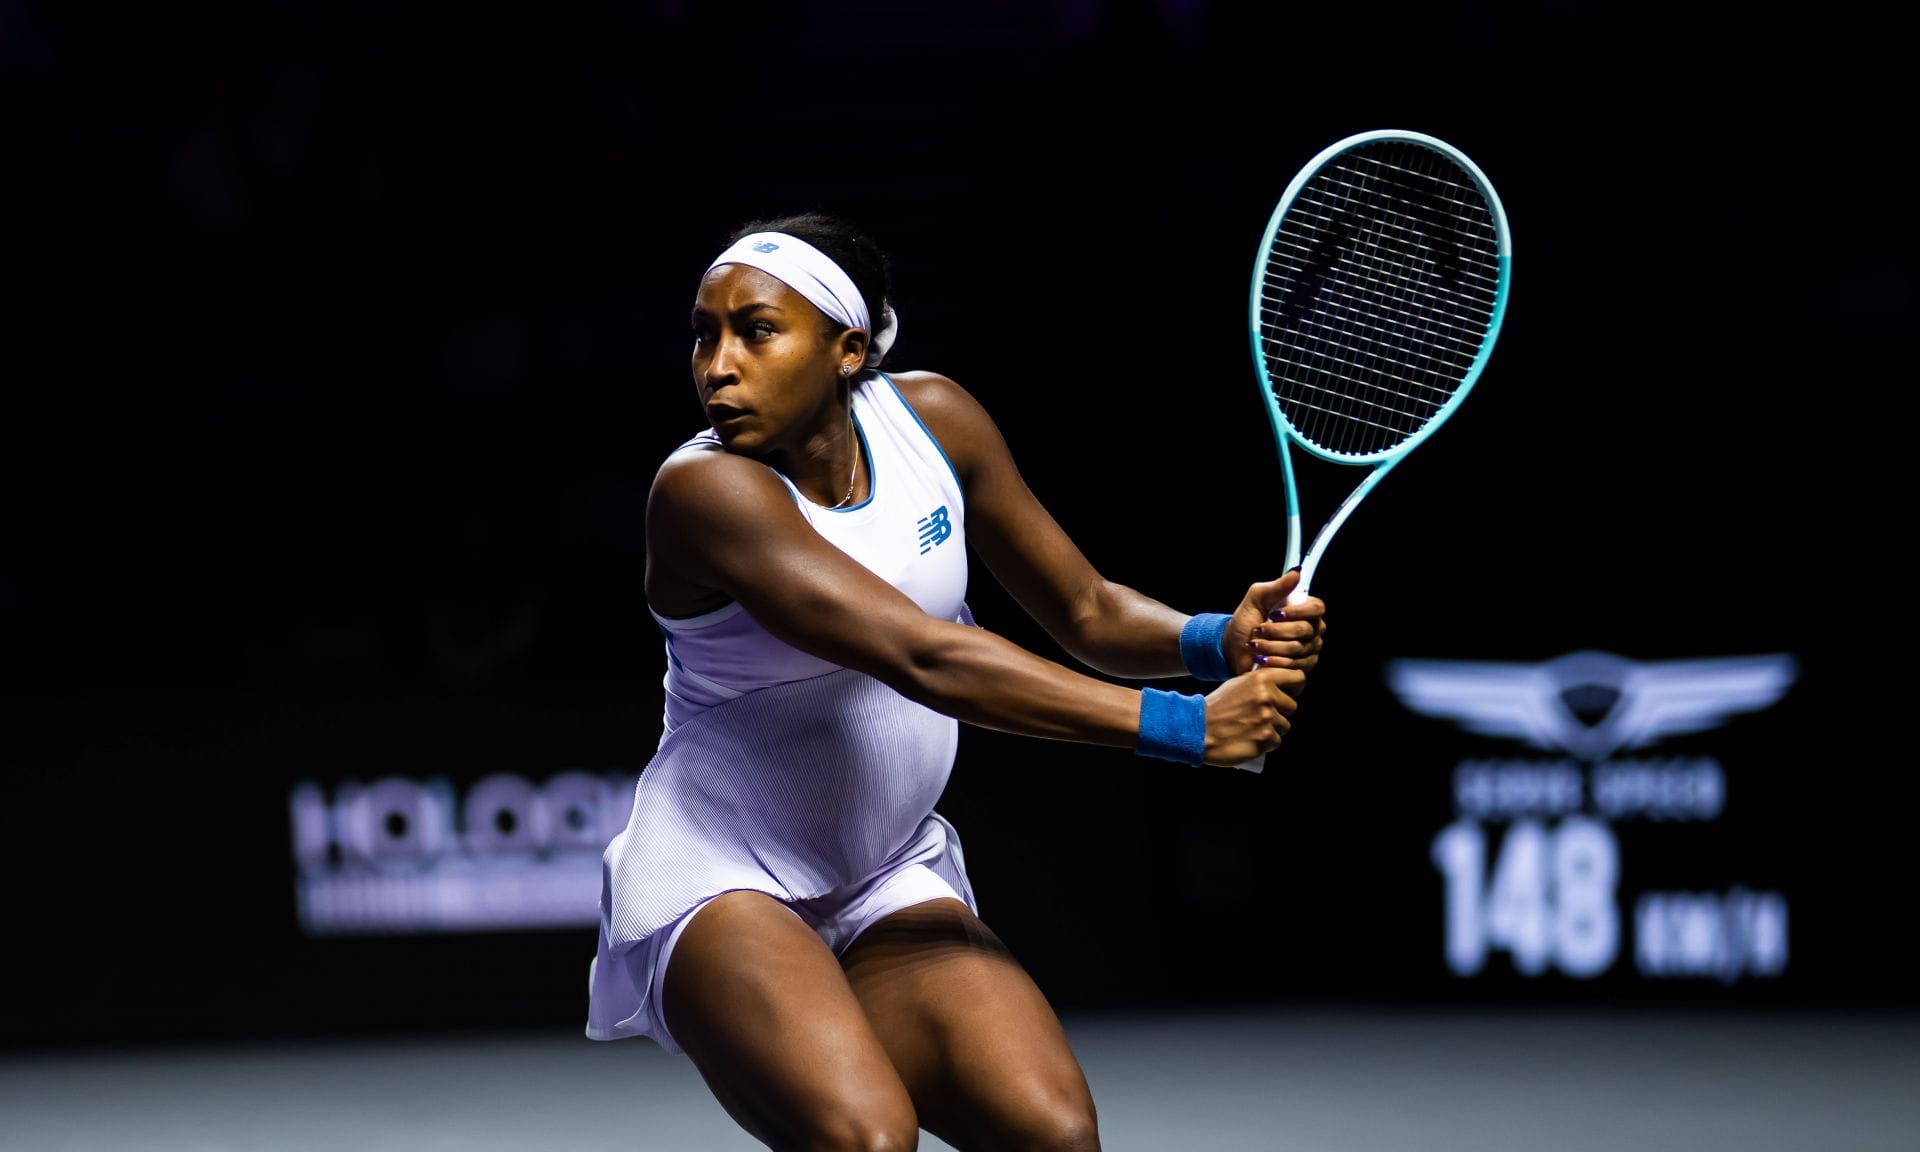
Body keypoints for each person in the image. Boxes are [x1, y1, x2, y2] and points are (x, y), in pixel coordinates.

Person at [587, 211, 1328, 1152]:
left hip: (885, 866)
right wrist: (1184, 727)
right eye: (704, 333)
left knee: (1052, 1131)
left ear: (849, 350)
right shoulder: (703, 495)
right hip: (723, 876)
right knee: (866, 1140)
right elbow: (924, 655)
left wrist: (1213, 638)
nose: (717, 363)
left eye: (756, 330)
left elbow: (1091, 609)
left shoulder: (935, 423)